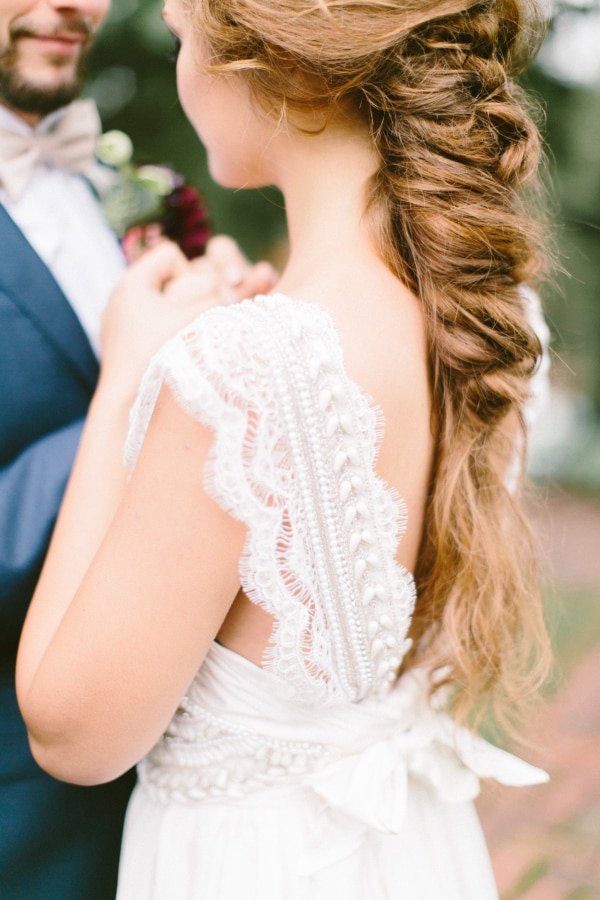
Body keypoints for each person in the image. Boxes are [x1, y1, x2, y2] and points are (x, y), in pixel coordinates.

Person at [16, 0, 552, 896]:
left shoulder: (247, 368)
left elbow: (73, 735)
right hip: (393, 854)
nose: (184, 71)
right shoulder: (491, 324)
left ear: (267, 60)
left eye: (185, 40)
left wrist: (127, 379)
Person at [0, 2, 273, 897]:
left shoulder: (96, 174)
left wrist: (211, 326)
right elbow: (126, 384)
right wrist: (150, 395)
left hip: (168, 780)